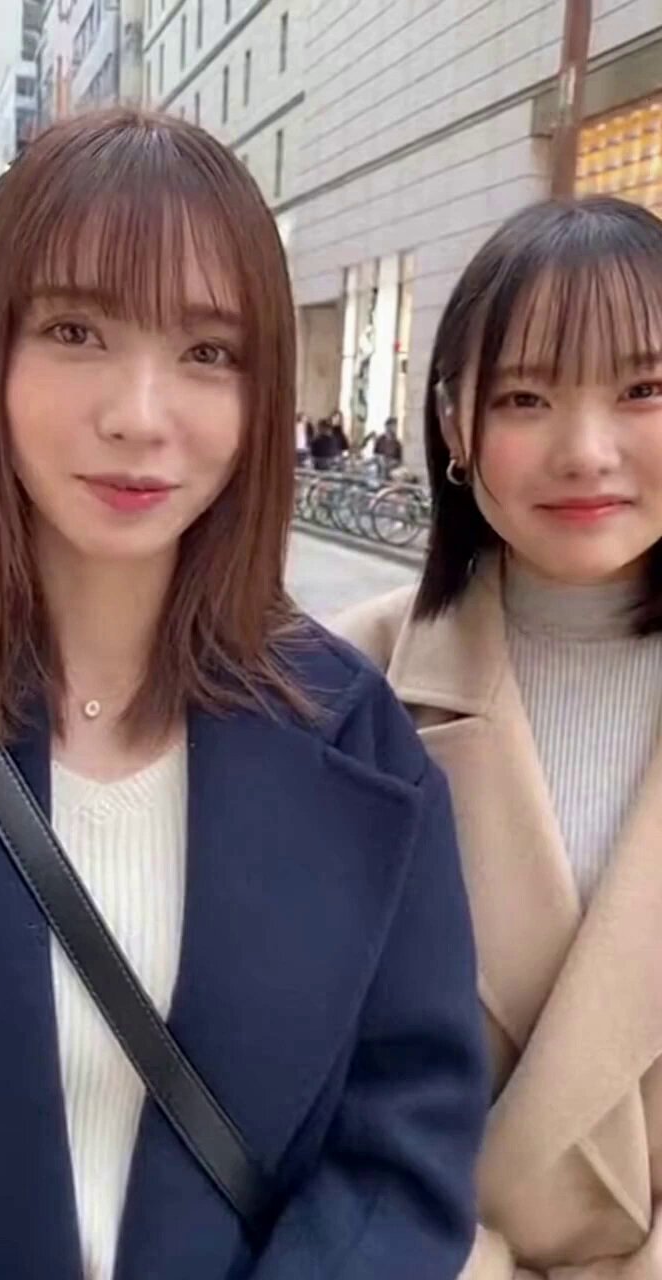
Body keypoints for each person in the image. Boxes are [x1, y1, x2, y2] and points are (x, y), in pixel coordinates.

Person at [0, 108, 487, 1280]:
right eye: (75, 330)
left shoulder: (352, 735)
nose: (138, 415)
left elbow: (404, 1143)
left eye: (207, 352)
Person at [334, 195, 662, 1279]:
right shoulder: (342, 692)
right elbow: (292, 1071)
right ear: (453, 425)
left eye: (644, 390)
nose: (585, 450)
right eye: (525, 396)